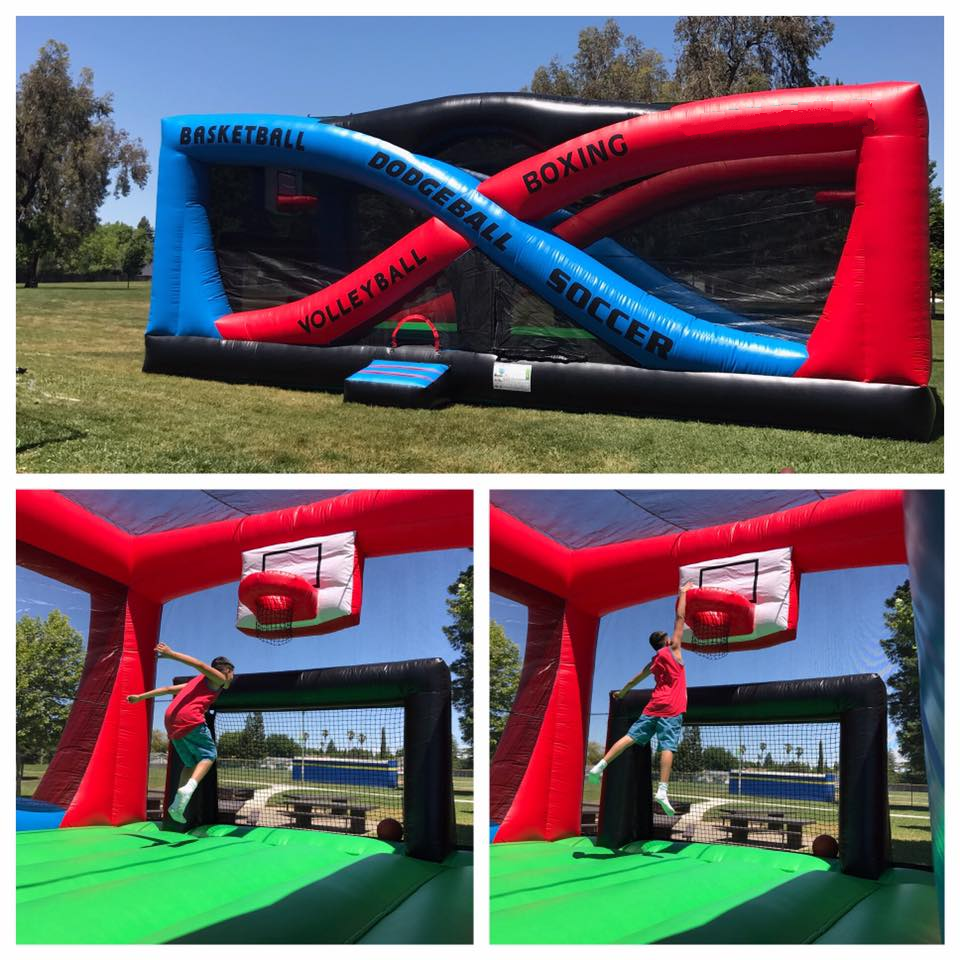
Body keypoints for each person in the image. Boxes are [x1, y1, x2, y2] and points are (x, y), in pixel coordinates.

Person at [587, 583, 691, 816]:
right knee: (668, 746)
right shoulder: (674, 649)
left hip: (653, 705)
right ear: (666, 641)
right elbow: (680, 617)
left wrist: (622, 693)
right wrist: (684, 591)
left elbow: (635, 680)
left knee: (630, 737)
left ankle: (600, 765)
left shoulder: (654, 662)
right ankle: (662, 790)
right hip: (672, 707)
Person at [127, 643, 235, 823]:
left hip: (171, 721)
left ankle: (178, 804)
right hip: (189, 718)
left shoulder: (195, 682)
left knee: (190, 762)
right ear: (226, 670)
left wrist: (140, 697)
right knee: (209, 754)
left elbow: (168, 690)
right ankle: (190, 787)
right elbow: (200, 664)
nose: (232, 677)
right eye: (232, 673)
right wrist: (171, 654)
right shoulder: (219, 678)